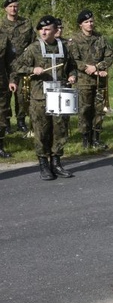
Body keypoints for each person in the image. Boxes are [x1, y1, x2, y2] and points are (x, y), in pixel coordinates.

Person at [9, 16, 77, 180]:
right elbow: (16, 66)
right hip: (40, 97)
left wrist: (72, 76)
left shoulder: (64, 47)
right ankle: (43, 165)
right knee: (42, 131)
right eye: (41, 29)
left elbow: (72, 66)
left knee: (60, 129)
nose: (44, 32)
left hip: (60, 95)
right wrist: (33, 69)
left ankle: (56, 162)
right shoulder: (33, 48)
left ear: (55, 30)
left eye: (47, 29)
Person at [68, 9, 113, 150]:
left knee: (99, 110)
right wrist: (85, 68)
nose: (90, 24)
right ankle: (85, 138)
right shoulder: (74, 40)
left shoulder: (100, 39)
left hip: (99, 81)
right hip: (83, 81)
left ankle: (96, 137)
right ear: (80, 25)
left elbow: (109, 56)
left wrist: (97, 67)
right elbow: (73, 59)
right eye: (86, 22)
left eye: (91, 21)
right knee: (85, 110)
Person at [1, 0, 35, 134]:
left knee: (22, 95)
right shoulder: (1, 25)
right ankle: (6, 122)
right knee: (5, 96)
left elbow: (33, 43)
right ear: (5, 9)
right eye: (10, 7)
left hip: (22, 64)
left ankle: (21, 121)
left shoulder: (26, 23)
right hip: (5, 65)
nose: (13, 9)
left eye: (15, 6)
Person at [0, 34, 12, 156]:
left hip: (1, 84)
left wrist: (12, 80)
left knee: (1, 115)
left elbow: (11, 62)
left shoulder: (3, 38)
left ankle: (0, 146)